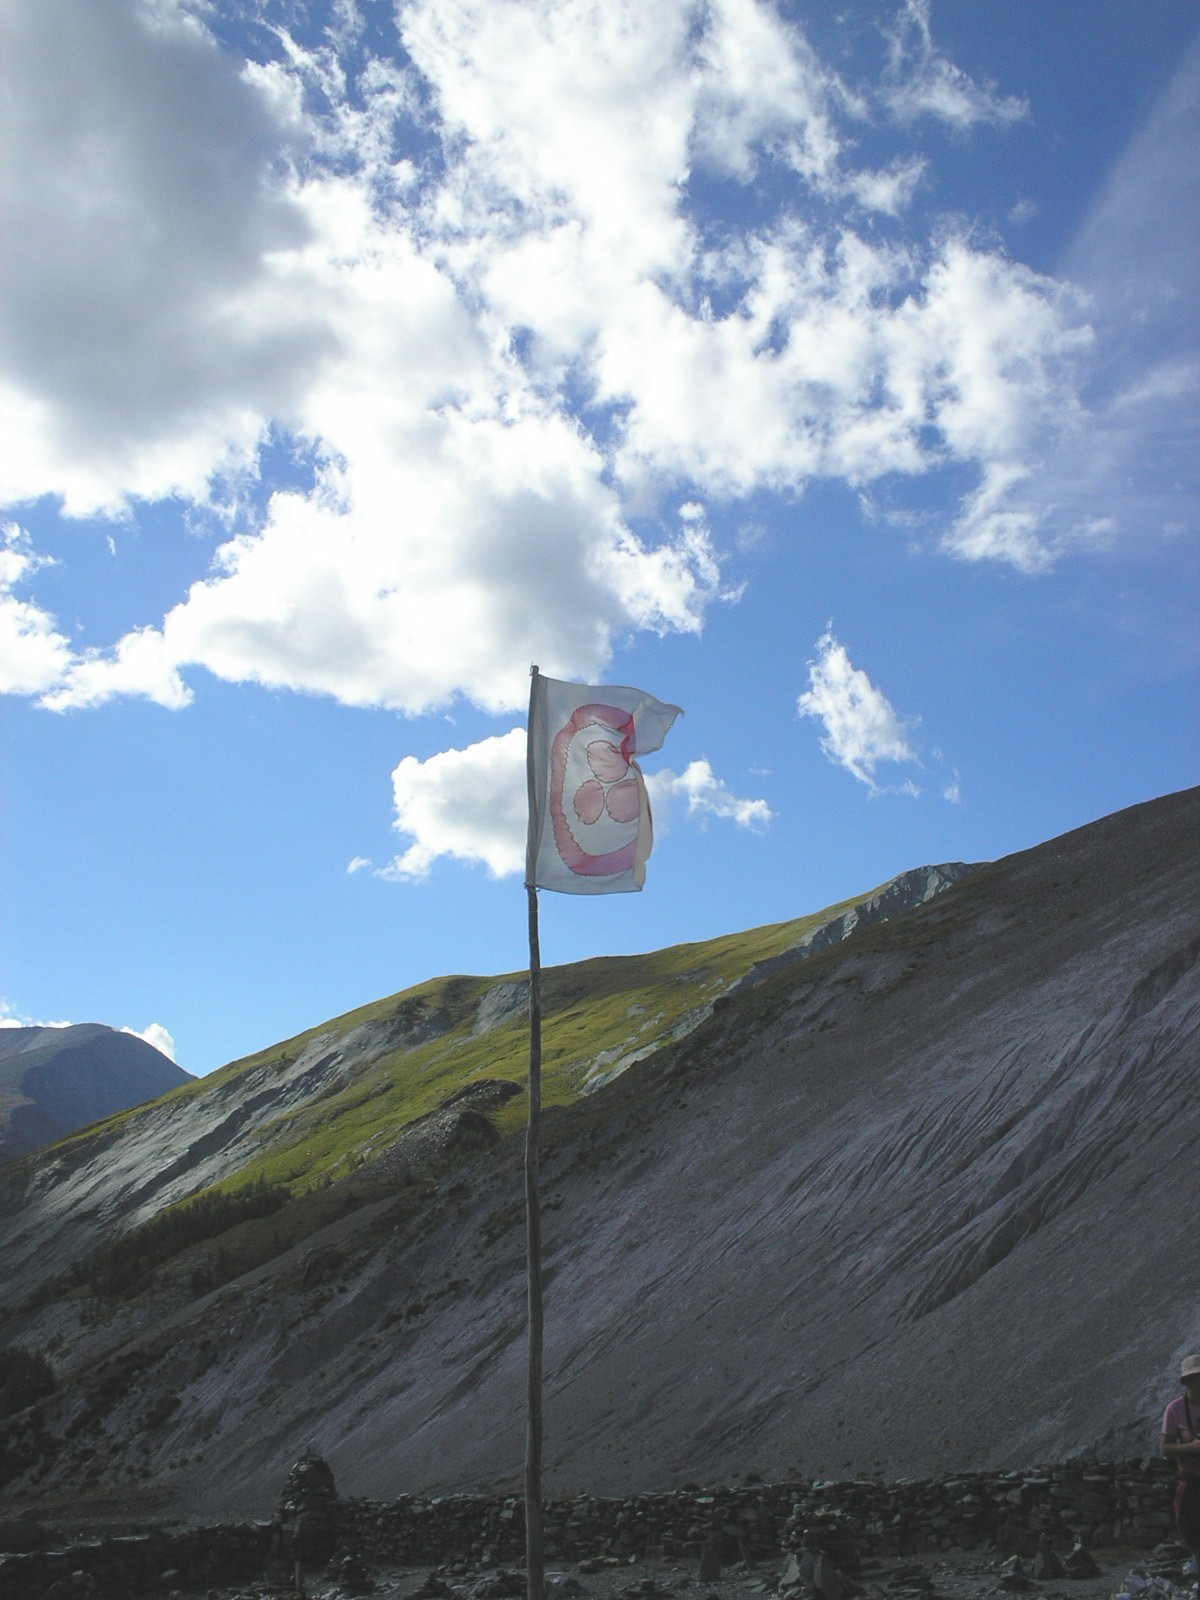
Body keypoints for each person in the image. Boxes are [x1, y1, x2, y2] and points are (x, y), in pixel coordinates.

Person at [1162, 1354, 1200, 1587]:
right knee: (1196, 1537)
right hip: (1192, 1482)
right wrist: (1191, 1447)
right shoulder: (1174, 1409)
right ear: (1188, 1382)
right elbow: (1165, 1447)